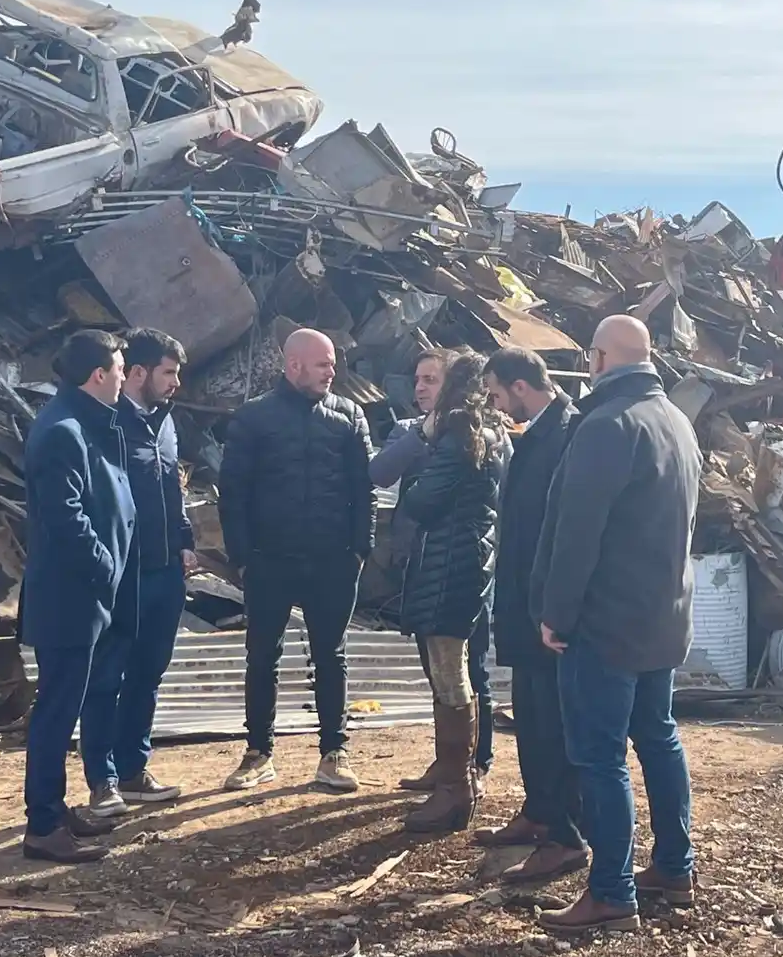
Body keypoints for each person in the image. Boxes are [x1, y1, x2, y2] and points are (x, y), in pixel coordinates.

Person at [532, 316, 703, 935]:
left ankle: (610, 891)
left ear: (599, 358)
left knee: (599, 757)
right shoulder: (677, 422)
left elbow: (577, 533)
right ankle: (675, 867)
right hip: (663, 618)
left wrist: (556, 613)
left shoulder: (607, 426)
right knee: (657, 737)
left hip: (605, 622)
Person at [218, 328, 375, 793]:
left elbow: (363, 489)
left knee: (332, 655)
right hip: (270, 561)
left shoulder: (349, 416)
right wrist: (242, 557)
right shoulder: (252, 419)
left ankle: (334, 752)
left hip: (332, 561)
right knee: (262, 656)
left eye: (333, 364)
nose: (333, 372)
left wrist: (360, 548)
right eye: (324, 364)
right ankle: (259, 752)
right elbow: (234, 493)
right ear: (294, 366)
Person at [19, 330, 137, 863]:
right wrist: (105, 567)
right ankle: (43, 825)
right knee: (56, 712)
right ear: (98, 376)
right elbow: (67, 517)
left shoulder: (84, 422)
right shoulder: (63, 430)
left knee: (64, 707)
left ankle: (55, 809)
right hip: (70, 598)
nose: (123, 378)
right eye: (118, 369)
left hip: (86, 596)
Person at [474, 346, 586, 883]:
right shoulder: (536, 433)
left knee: (555, 726)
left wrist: (555, 608)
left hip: (547, 611)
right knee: (530, 718)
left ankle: (567, 834)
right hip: (522, 604)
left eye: (497, 393)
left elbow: (568, 534)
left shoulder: (569, 433)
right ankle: (539, 812)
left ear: (521, 386)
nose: (495, 406)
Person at [79, 328, 196, 816]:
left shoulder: (165, 423)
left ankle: (133, 771)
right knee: (107, 677)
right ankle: (102, 780)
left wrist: (186, 541)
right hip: (123, 576)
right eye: (168, 373)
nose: (175, 383)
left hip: (166, 573)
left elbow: (173, 489)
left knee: (147, 674)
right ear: (140, 372)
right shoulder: (106, 425)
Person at [370, 348, 498, 796]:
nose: (421, 387)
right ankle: (448, 767)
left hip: (459, 567)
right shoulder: (413, 431)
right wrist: (422, 435)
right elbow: (379, 472)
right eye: (418, 379)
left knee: (467, 669)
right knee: (439, 670)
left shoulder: (472, 436)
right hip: (424, 565)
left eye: (431, 380)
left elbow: (430, 500)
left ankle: (472, 768)